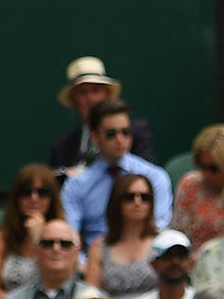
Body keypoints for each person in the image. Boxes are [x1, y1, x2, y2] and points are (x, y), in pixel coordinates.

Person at [61, 99, 174, 246]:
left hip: (144, 258)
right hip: (94, 261)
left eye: (125, 132)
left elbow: (159, 229)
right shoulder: (77, 185)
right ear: (94, 137)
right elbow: (70, 237)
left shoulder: (155, 177)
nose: (119, 140)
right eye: (111, 134)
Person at [0, 165, 66, 299]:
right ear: (16, 198)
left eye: (42, 192)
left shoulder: (64, 237)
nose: (34, 198)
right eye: (26, 192)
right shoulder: (1, 237)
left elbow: (61, 286)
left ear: (52, 198)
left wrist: (39, 240)